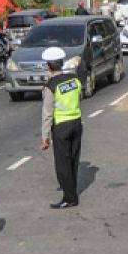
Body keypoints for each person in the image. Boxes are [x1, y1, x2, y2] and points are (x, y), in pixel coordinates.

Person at [40, 46, 83, 208]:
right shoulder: (74, 80)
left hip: (61, 127)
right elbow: (79, 96)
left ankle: (70, 197)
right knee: (73, 159)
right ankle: (70, 187)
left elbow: (47, 114)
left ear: (48, 67)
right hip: (77, 123)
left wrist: (45, 138)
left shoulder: (50, 86)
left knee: (62, 163)